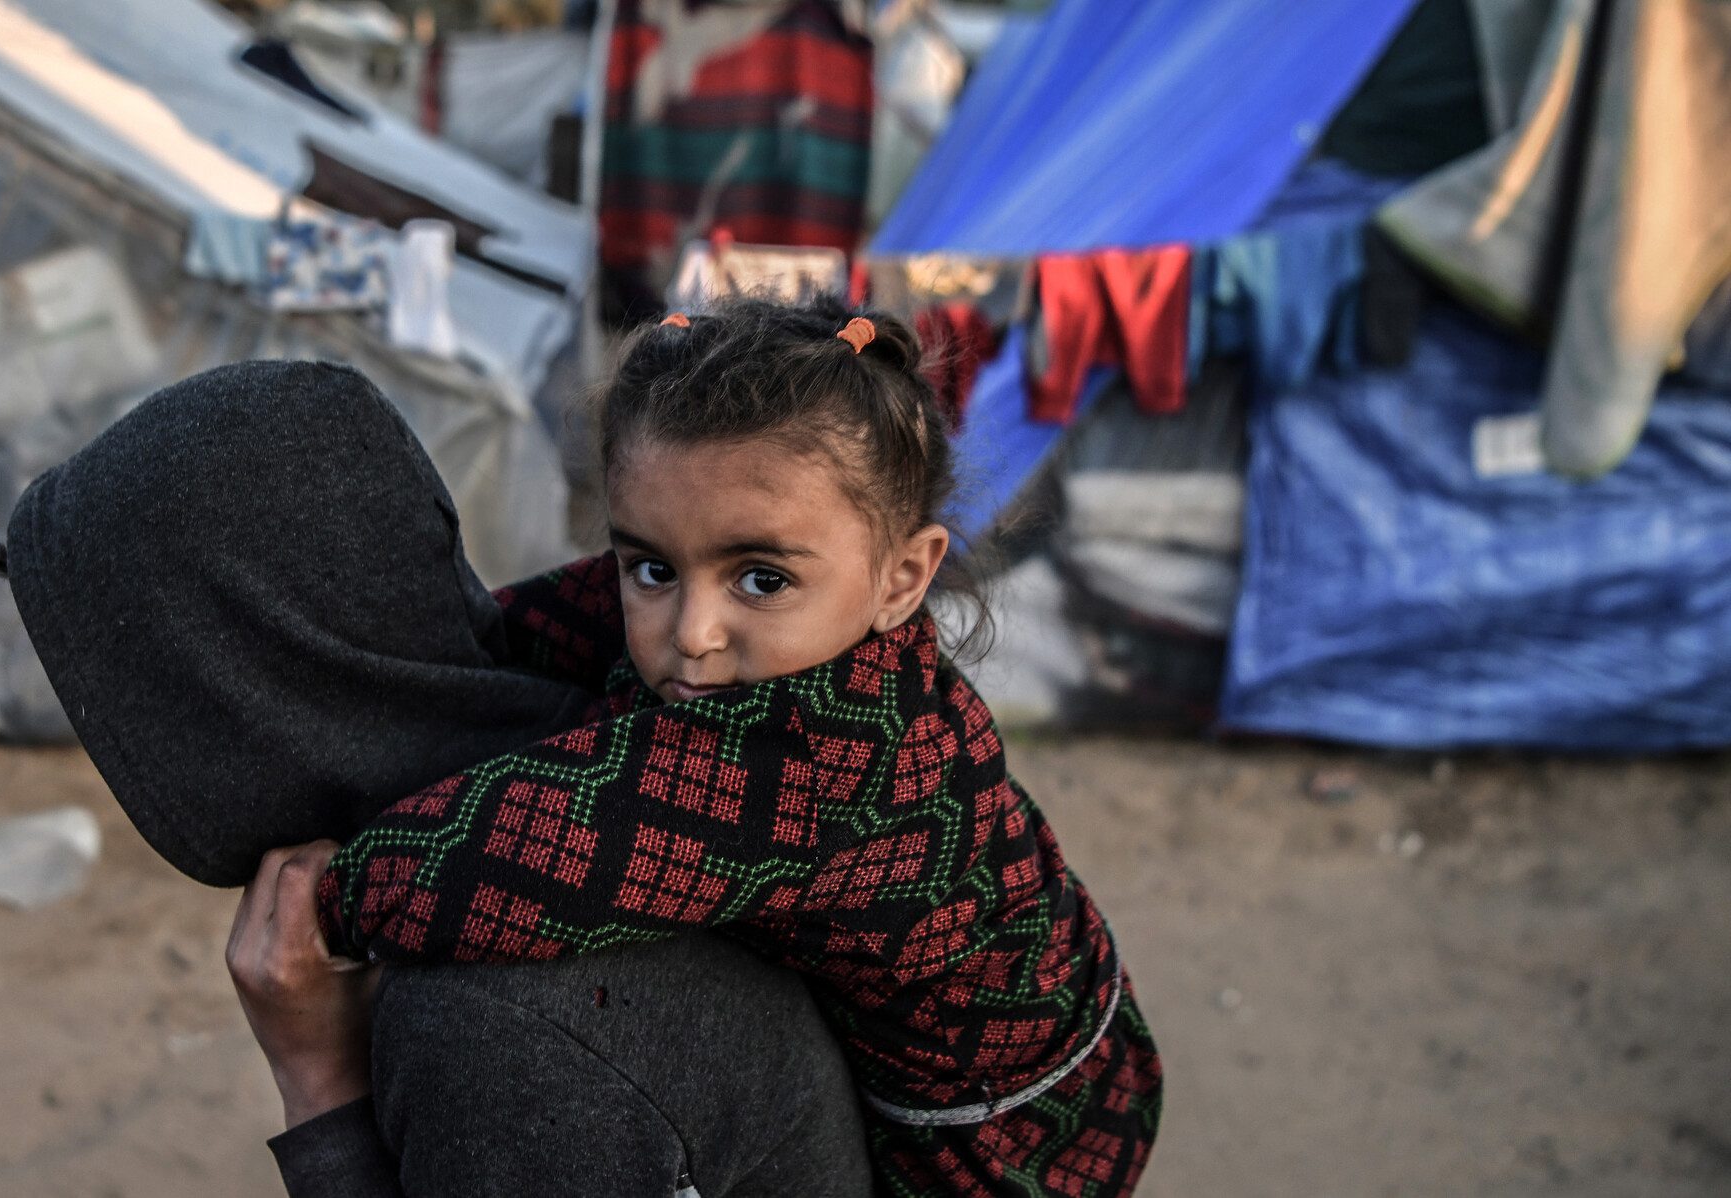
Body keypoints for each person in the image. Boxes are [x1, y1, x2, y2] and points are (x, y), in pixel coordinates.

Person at [313, 297, 1164, 1196]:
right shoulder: (769, 629)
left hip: (1012, 1146)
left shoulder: (824, 760)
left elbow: (502, 865)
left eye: (761, 580)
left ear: (902, 578)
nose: (693, 632)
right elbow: (533, 626)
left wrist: (329, 898)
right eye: (653, 566)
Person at [0, 359, 871, 1197]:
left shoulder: (500, 1018)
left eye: (117, 688)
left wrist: (319, 1085)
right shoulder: (590, 773)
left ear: (236, 684)